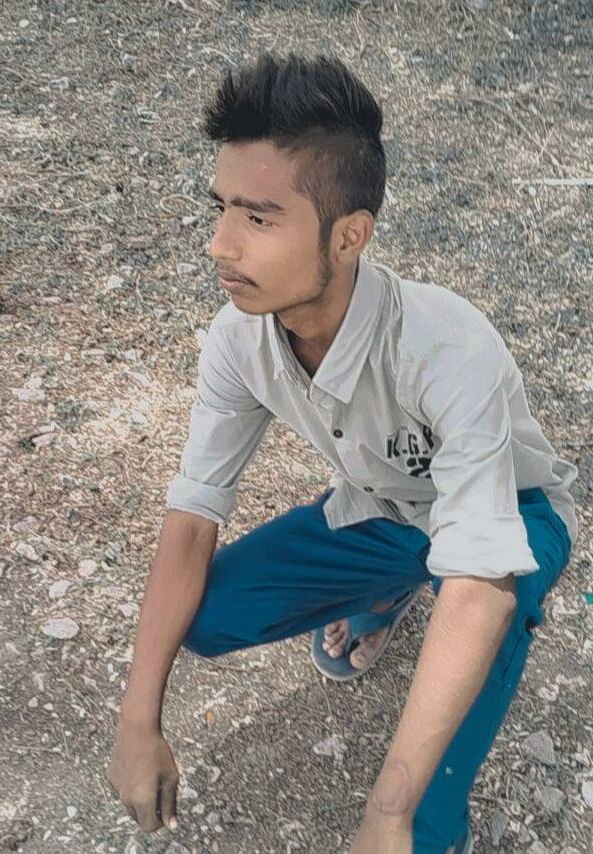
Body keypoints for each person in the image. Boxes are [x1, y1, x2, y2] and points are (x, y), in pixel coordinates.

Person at [106, 51, 578, 854]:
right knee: (208, 618)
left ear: (350, 236)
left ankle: (426, 822)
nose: (220, 246)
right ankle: (391, 590)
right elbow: (192, 514)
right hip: (385, 509)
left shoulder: (447, 347)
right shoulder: (239, 339)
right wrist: (137, 720)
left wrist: (388, 814)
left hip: (513, 517)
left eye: (259, 219)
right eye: (221, 209)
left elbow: (479, 587)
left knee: (422, 811)